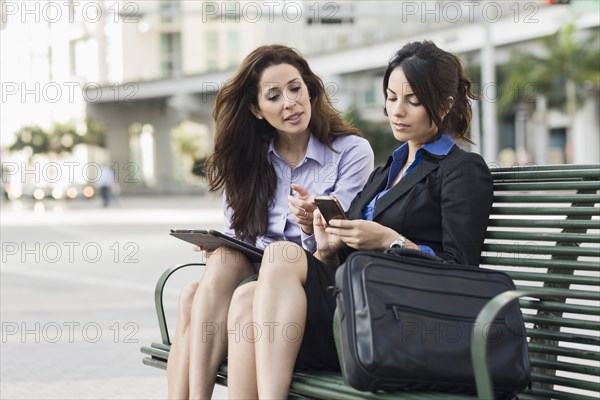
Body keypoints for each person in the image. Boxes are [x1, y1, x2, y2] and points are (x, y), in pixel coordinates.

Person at [226, 40, 494, 399]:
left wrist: (389, 240)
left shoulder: (462, 171)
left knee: (280, 256)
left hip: (402, 320)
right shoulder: (385, 173)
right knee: (246, 298)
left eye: (412, 100)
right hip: (354, 304)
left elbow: (463, 273)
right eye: (391, 97)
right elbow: (343, 259)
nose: (397, 110)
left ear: (445, 105)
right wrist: (328, 242)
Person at [166, 44, 374, 399]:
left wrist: (311, 226)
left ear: (309, 89)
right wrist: (217, 245)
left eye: (295, 88)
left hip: (314, 279)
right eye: (274, 96)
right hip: (255, 270)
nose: (290, 102)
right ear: (256, 109)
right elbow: (239, 235)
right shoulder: (247, 159)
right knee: (205, 278)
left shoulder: (350, 152)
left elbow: (341, 236)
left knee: (208, 291)